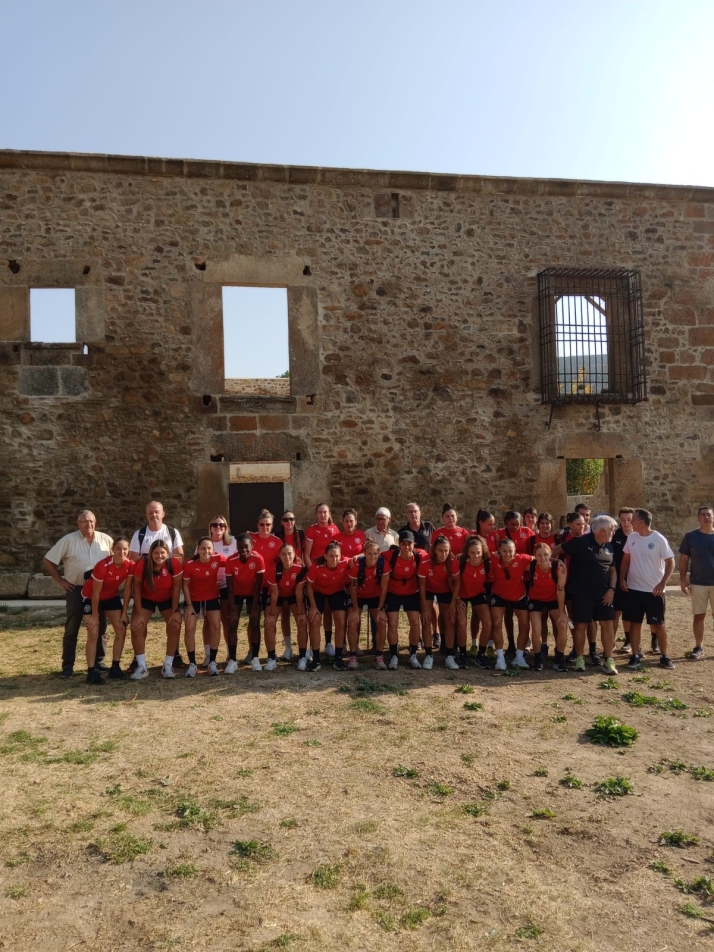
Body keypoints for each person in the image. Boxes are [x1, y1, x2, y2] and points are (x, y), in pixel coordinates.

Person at [42, 510, 114, 679]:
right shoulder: (68, 540)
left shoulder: (106, 540)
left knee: (100, 626)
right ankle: (68, 666)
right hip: (76, 590)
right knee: (72, 629)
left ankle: (99, 661)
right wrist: (60, 581)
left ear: (95, 522)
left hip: (98, 591)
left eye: (91, 521)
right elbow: (48, 560)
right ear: (78, 523)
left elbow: (115, 560)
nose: (88, 525)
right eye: (84, 522)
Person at [552, 515, 618, 674]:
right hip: (581, 594)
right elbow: (555, 551)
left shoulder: (609, 546)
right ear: (603, 530)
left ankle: (609, 660)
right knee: (581, 625)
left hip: (603, 593)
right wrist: (559, 564)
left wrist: (611, 589)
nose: (614, 533)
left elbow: (613, 570)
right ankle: (580, 659)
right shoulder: (581, 542)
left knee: (607, 624)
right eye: (612, 530)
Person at [128, 501, 185, 669]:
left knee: (175, 623)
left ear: (163, 513)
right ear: (146, 515)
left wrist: (161, 557)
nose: (154, 515)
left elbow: (180, 557)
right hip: (146, 590)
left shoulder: (172, 532)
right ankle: (138, 660)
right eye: (150, 513)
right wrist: (149, 558)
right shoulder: (140, 534)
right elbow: (132, 558)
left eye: (157, 512)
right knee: (138, 625)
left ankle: (174, 656)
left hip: (167, 591)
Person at [619, 509, 675, 671]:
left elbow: (670, 562)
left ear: (641, 522)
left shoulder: (659, 539)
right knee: (635, 623)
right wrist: (623, 578)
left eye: (633, 520)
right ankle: (635, 655)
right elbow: (626, 560)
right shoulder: (632, 538)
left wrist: (663, 583)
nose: (630, 523)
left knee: (658, 624)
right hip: (634, 590)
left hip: (654, 591)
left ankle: (664, 656)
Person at [79, 537, 134, 684]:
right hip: (91, 597)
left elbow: (128, 589)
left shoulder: (130, 565)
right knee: (93, 631)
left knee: (121, 628)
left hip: (111, 597)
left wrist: (124, 612)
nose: (121, 552)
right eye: (118, 549)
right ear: (112, 550)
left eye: (125, 549)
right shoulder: (103, 566)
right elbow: (95, 593)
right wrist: (95, 616)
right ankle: (91, 672)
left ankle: (115, 668)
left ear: (128, 551)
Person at [129, 540, 183, 680]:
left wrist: (175, 611)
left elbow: (177, 588)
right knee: (136, 627)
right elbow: (137, 588)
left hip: (167, 599)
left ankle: (168, 665)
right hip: (147, 598)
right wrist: (139, 614)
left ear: (168, 553)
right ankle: (142, 666)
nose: (159, 556)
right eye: (156, 553)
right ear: (151, 553)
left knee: (175, 625)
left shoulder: (174, 564)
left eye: (162, 553)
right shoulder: (143, 564)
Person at [379, 531, 426, 668]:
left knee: (415, 623)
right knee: (393, 623)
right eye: (403, 544)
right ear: (399, 545)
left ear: (414, 544)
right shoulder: (390, 555)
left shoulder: (419, 555)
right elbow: (374, 555)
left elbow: (435, 557)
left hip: (411, 593)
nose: (406, 547)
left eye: (409, 544)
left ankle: (412, 655)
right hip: (393, 593)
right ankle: (394, 654)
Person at [182, 537, 226, 677]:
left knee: (215, 626)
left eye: (209, 548)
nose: (206, 551)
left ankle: (212, 662)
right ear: (198, 549)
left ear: (213, 550)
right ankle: (193, 664)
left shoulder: (218, 558)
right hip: (193, 599)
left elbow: (233, 562)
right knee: (189, 628)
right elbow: (185, 585)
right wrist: (188, 605)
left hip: (212, 597)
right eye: (203, 548)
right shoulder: (189, 563)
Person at [306, 541, 350, 672]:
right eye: (331, 556)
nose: (334, 559)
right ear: (325, 556)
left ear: (340, 556)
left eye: (337, 556)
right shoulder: (316, 567)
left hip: (337, 592)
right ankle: (316, 659)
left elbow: (358, 556)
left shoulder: (345, 562)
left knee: (341, 622)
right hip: (318, 592)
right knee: (314, 621)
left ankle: (338, 659)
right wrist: (313, 607)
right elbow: (308, 587)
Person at [348, 541, 393, 669]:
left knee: (382, 621)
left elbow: (384, 588)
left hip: (376, 596)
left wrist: (380, 609)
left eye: (375, 554)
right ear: (364, 553)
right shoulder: (357, 564)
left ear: (379, 553)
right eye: (369, 554)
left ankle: (379, 656)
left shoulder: (383, 564)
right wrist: (356, 610)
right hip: (359, 596)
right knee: (352, 622)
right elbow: (352, 588)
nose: (372, 557)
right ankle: (352, 656)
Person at [419, 535, 461, 669]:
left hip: (445, 590)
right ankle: (428, 655)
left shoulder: (452, 561)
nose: (444, 554)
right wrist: (425, 608)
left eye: (447, 550)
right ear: (435, 550)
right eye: (441, 550)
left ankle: (449, 655)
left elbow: (457, 583)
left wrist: (453, 604)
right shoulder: (425, 562)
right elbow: (421, 586)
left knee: (450, 620)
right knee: (426, 620)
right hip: (428, 589)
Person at [489, 538, 532, 670]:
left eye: (510, 551)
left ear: (515, 551)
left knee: (525, 625)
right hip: (499, 595)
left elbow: (543, 557)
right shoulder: (493, 559)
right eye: (504, 551)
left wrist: (559, 561)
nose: (507, 554)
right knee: (496, 624)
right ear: (499, 551)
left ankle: (519, 657)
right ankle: (500, 658)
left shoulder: (523, 558)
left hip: (518, 595)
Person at [304, 503, 340, 656]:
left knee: (328, 611)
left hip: (330, 577)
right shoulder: (312, 530)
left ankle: (328, 643)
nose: (323, 515)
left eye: (325, 512)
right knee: (314, 614)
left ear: (329, 513)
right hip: (316, 575)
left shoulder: (334, 529)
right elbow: (306, 554)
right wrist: (314, 571)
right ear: (316, 515)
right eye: (320, 512)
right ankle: (313, 646)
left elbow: (337, 552)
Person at [264, 544, 308, 670]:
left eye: (289, 553)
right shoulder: (273, 569)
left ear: (294, 554)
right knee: (269, 624)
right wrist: (271, 615)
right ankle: (271, 658)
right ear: (279, 555)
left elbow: (299, 592)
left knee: (302, 621)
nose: (287, 557)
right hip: (278, 596)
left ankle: (303, 657)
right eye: (283, 554)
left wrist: (300, 612)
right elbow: (274, 593)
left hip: (294, 595)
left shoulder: (301, 568)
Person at [225, 534, 265, 671]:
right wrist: (232, 611)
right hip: (236, 593)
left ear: (252, 547)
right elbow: (229, 587)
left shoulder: (258, 559)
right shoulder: (231, 561)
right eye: (240, 547)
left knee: (254, 622)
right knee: (232, 623)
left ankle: (255, 658)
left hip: (252, 593)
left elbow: (258, 585)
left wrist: (254, 608)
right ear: (236, 548)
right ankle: (233, 660)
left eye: (246, 547)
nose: (243, 550)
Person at [679, 505, 714, 661]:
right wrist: (682, 579)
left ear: (713, 518)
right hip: (698, 583)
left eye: (709, 514)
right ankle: (699, 646)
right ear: (698, 519)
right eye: (703, 515)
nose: (706, 517)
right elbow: (684, 559)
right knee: (699, 616)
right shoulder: (690, 536)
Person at [527, 543, 569, 672]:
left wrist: (562, 613)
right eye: (539, 555)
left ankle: (559, 658)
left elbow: (561, 591)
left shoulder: (558, 568)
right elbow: (513, 558)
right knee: (536, 628)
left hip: (554, 599)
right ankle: (538, 658)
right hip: (536, 599)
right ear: (535, 556)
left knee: (562, 625)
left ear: (550, 555)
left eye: (545, 554)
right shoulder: (532, 565)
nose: (542, 558)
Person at [203, 515, 237, 671]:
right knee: (208, 621)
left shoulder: (233, 543)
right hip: (208, 587)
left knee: (225, 620)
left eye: (222, 525)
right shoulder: (205, 544)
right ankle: (209, 654)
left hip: (226, 586)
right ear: (210, 527)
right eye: (215, 524)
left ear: (226, 528)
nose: (218, 528)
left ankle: (230, 654)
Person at [275, 510, 306, 660]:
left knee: (300, 614)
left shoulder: (300, 534)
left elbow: (306, 551)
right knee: (284, 615)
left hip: (298, 573)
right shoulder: (277, 536)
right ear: (281, 522)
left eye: (291, 519)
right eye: (286, 519)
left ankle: (306, 650)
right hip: (283, 574)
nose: (289, 522)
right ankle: (288, 648)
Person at [457, 536, 492, 669]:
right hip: (461, 596)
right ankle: (462, 654)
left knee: (488, 622)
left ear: (482, 551)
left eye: (478, 552)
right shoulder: (461, 562)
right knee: (461, 623)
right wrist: (457, 599)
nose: (476, 555)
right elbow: (452, 581)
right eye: (472, 552)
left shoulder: (487, 563)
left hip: (478, 595)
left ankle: (481, 655)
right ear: (467, 552)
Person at [612, 508, 635, 654]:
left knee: (630, 613)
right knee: (615, 612)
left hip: (635, 580)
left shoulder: (639, 536)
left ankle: (629, 641)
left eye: (629, 520)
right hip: (617, 580)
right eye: (623, 520)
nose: (626, 523)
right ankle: (611, 643)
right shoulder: (614, 536)